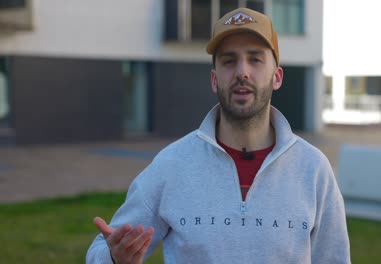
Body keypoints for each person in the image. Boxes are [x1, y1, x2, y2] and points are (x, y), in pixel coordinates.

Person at [87, 7, 350, 264]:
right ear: (214, 80)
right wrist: (114, 257)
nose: (242, 72)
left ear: (277, 77)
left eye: (255, 59)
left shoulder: (314, 170)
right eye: (229, 61)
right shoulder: (172, 165)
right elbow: (101, 248)